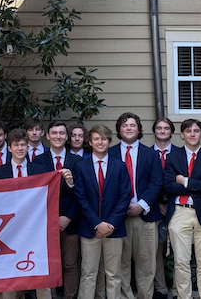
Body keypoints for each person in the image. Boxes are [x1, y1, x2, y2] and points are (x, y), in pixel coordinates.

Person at [164, 119, 201, 299]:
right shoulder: (172, 157)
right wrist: (200, 184)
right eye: (188, 131)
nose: (192, 134)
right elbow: (168, 186)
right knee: (181, 262)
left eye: (196, 131)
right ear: (182, 135)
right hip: (180, 213)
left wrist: (185, 181)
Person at [109, 112, 163, 299]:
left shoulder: (150, 154)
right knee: (120, 263)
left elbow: (157, 183)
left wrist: (141, 204)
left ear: (139, 129)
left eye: (132, 125)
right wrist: (120, 207)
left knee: (146, 263)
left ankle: (144, 296)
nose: (129, 128)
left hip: (145, 216)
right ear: (119, 129)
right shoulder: (110, 153)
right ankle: (125, 297)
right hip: (118, 217)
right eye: (125, 125)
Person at [73, 124, 130, 299]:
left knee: (114, 274)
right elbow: (80, 198)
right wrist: (97, 223)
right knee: (88, 273)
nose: (100, 142)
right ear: (90, 142)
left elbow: (125, 197)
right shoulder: (81, 167)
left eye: (104, 139)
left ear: (109, 141)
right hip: (90, 229)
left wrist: (110, 223)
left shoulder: (119, 166)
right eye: (96, 138)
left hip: (114, 229)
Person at [0, 129, 50, 299]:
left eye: (23, 145)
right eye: (16, 145)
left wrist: (67, 181)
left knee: (40, 271)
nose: (20, 148)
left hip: (35, 229)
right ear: (9, 148)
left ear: (28, 146)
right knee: (9, 272)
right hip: (8, 230)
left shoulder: (40, 170)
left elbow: (51, 194)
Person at [34, 122, 81, 299]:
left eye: (62, 133)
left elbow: (82, 194)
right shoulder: (38, 161)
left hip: (70, 220)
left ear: (67, 136)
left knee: (70, 264)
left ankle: (70, 297)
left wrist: (68, 217)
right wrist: (50, 218)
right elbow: (36, 195)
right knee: (49, 264)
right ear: (47, 135)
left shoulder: (78, 161)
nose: (58, 136)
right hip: (45, 222)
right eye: (54, 133)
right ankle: (51, 296)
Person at [151, 117, 178, 299]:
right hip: (152, 208)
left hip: (176, 206)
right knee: (154, 251)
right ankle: (160, 289)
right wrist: (157, 202)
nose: (162, 131)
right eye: (159, 128)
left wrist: (168, 202)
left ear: (171, 131)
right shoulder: (146, 153)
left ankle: (177, 290)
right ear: (154, 131)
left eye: (166, 128)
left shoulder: (179, 153)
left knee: (178, 251)